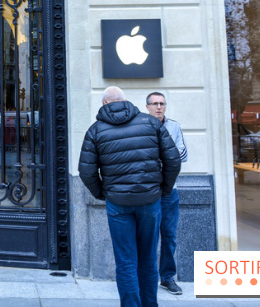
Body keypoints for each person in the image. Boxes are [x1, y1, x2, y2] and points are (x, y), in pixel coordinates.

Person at [79, 86, 181, 307]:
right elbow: (173, 160)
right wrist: (163, 189)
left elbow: (86, 172)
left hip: (118, 204)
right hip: (149, 201)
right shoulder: (151, 123)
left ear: (105, 104)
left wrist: (103, 193)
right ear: (125, 101)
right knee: (148, 259)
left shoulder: (95, 130)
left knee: (126, 262)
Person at [145, 91, 188, 296]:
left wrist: (160, 158)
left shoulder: (174, 126)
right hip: (149, 191)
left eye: (162, 103)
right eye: (155, 103)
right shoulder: (141, 127)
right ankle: (148, 276)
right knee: (148, 236)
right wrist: (167, 157)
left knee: (169, 235)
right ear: (147, 107)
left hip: (170, 191)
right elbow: (143, 157)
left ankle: (168, 277)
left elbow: (183, 154)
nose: (159, 107)